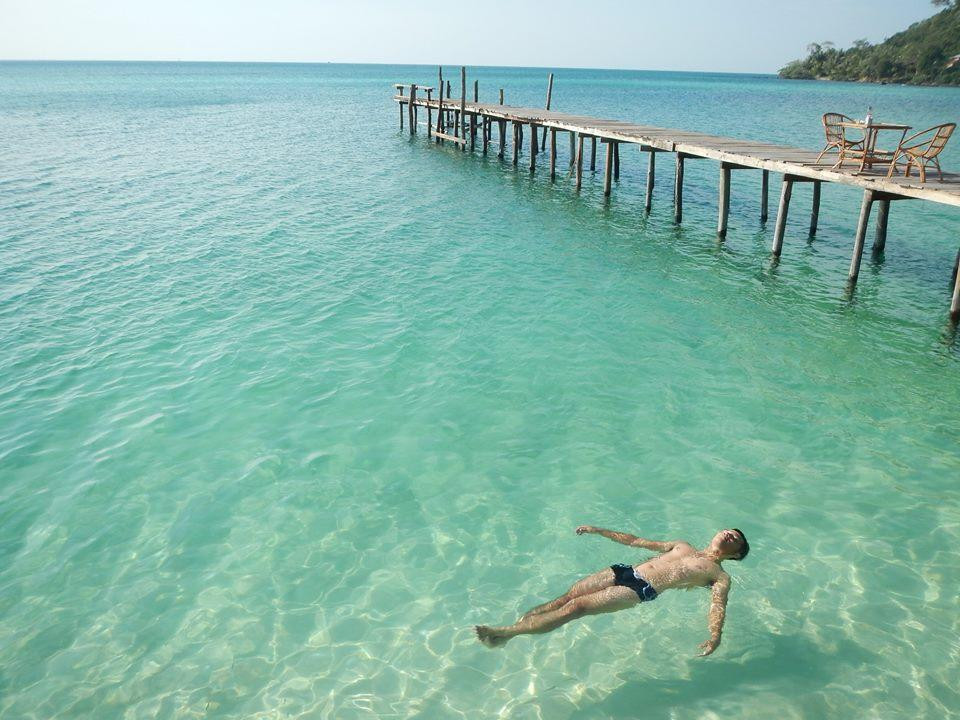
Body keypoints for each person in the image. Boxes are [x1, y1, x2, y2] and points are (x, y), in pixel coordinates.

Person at [475, 526, 749, 656]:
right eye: (728, 530)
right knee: (566, 598)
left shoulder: (718, 575)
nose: (730, 534)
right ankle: (514, 629)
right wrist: (599, 530)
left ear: (736, 555)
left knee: (576, 608)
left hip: (641, 588)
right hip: (624, 570)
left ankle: (505, 632)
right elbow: (637, 541)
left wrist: (715, 636)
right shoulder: (682, 544)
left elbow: (718, 606)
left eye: (736, 538)